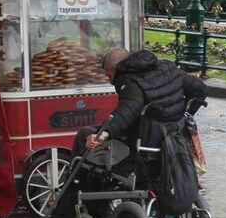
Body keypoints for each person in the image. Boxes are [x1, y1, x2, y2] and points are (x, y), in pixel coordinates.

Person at [73, 48, 207, 156]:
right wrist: (187, 114)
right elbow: (201, 89)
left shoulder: (130, 82)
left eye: (109, 75)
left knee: (84, 133)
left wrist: (104, 134)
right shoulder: (168, 67)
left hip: (144, 142)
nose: (110, 80)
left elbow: (127, 111)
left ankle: (78, 185)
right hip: (175, 135)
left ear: (118, 68)